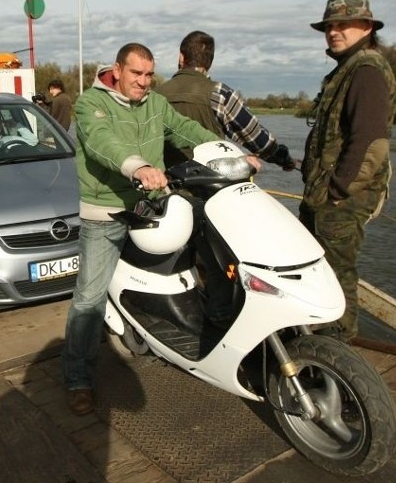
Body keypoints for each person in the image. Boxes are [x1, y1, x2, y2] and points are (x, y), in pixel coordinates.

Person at [62, 42, 261, 416]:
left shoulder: (155, 103)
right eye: (136, 74)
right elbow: (105, 145)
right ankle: (77, 378)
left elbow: (185, 130)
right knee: (89, 297)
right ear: (117, 70)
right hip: (106, 212)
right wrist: (138, 167)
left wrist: (232, 152)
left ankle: (209, 326)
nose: (143, 81)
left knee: (208, 243)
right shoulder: (91, 104)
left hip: (152, 206)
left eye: (149, 74)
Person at [157, 30, 298, 325]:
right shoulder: (220, 94)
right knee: (221, 262)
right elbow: (259, 141)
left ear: (180, 57)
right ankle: (220, 320)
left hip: (168, 197)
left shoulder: (156, 96)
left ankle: (178, 315)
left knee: (177, 260)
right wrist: (284, 159)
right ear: (209, 62)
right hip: (212, 197)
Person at [299, 0, 396, 342]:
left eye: (344, 24)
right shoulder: (348, 68)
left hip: (339, 200)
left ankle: (337, 355)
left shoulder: (367, 70)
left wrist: (337, 192)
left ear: (367, 26)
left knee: (336, 275)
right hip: (326, 195)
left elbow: (370, 143)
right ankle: (320, 347)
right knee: (321, 273)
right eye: (329, 25)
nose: (334, 31)